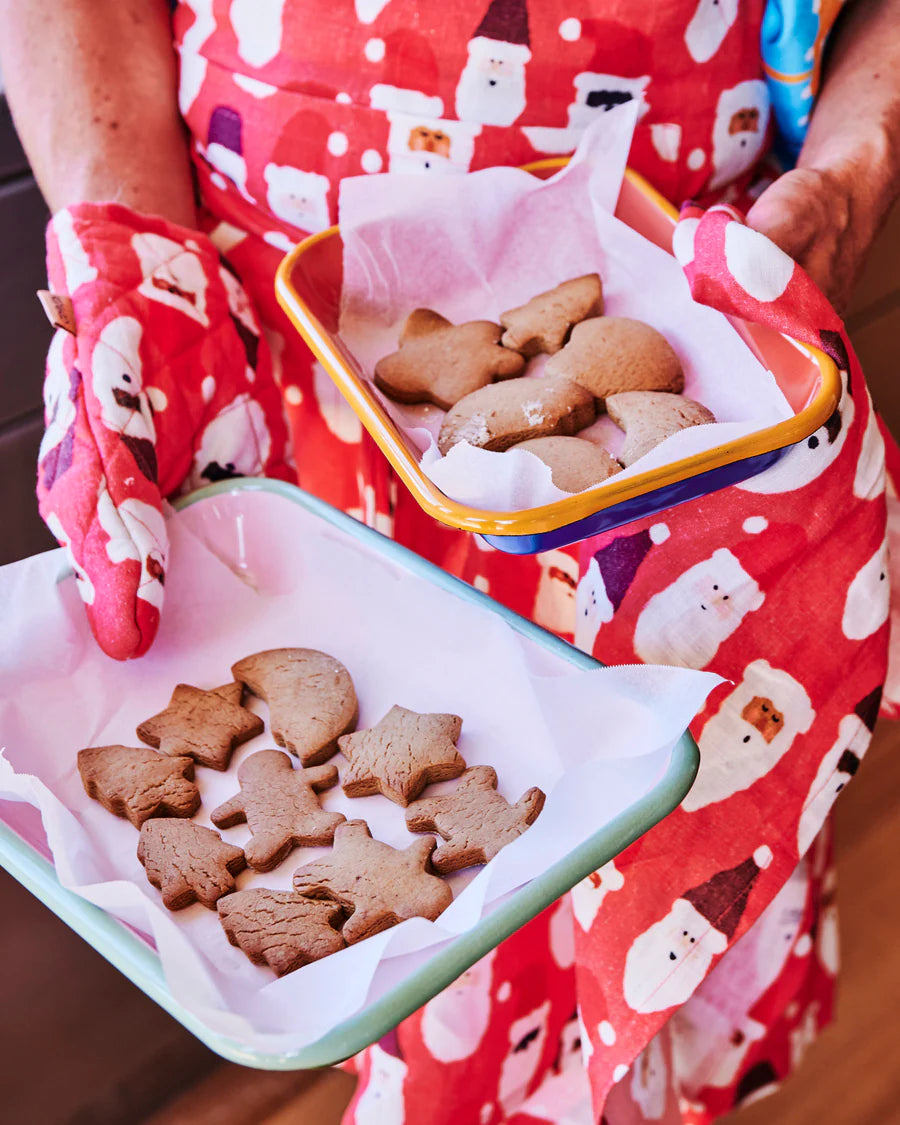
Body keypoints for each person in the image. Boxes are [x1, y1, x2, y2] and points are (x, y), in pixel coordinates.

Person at [1, 1, 898, 1121]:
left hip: (696, 342)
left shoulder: (628, 365)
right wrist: (135, 273)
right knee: (434, 964)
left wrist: (857, 161)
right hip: (274, 369)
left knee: (665, 869)